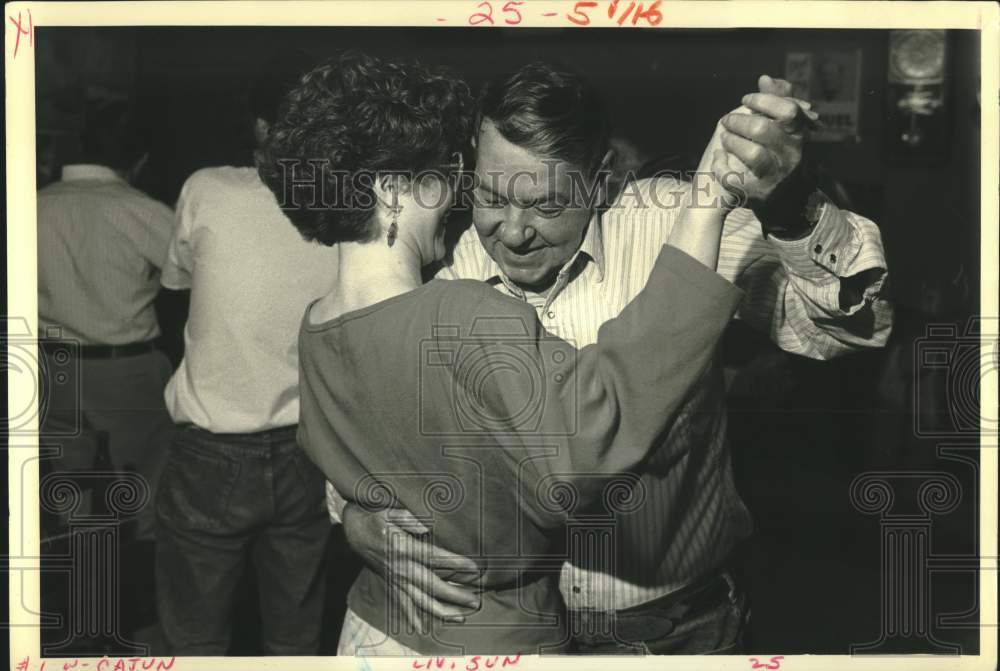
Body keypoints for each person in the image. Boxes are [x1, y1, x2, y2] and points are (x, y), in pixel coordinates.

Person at [332, 62, 894, 654]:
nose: (513, 232)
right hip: (498, 626)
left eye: (547, 205)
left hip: (675, 631)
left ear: (601, 181)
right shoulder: (441, 259)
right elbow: (354, 407)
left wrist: (788, 205)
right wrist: (352, 510)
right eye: (491, 196)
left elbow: (850, 331)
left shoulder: (677, 222)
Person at [258, 51, 749, 656]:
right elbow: (597, 431)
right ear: (389, 191)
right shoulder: (462, 310)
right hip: (496, 639)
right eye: (445, 178)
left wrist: (363, 515)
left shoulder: (316, 327)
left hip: (371, 627)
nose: (487, 219)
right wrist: (706, 209)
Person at [153, 51, 337, 655]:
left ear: (261, 128)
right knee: (297, 636)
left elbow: (173, 296)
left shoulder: (208, 189)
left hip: (212, 449)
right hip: (309, 447)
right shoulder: (346, 208)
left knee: (195, 636)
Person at [37, 100, 175, 541]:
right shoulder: (143, 211)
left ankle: (82, 594)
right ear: (138, 162)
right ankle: (138, 595)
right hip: (127, 369)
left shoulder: (31, 207)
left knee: (70, 494)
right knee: (146, 493)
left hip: (52, 368)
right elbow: (191, 276)